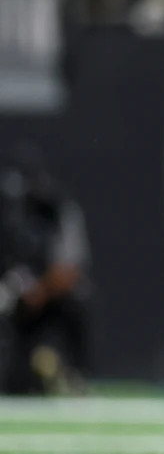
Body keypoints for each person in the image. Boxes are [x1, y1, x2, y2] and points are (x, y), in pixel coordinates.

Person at [0, 153, 91, 395]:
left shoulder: (58, 211)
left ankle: (71, 371)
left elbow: (69, 271)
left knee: (77, 300)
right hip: (11, 295)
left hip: (48, 297)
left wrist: (40, 290)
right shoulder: (7, 215)